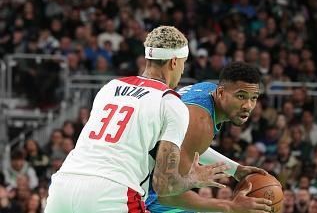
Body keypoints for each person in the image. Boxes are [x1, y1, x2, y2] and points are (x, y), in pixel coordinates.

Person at [45, 26, 229, 213]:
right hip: (113, 192)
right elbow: (164, 185)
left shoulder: (110, 87)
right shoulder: (170, 102)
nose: (182, 71)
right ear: (174, 62)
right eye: (183, 63)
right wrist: (193, 179)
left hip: (64, 185)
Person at [146, 62, 273, 213]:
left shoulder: (207, 90)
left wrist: (236, 170)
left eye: (253, 98)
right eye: (241, 96)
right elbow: (167, 194)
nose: (248, 105)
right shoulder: (200, 122)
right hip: (145, 191)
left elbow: (190, 145)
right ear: (220, 93)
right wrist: (230, 206)